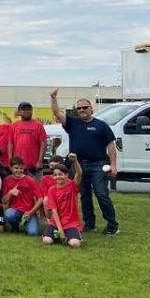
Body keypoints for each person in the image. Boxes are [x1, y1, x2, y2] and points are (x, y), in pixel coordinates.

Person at [50, 89, 118, 235]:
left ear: (91, 108)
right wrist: (53, 97)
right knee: (85, 195)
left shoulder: (101, 125)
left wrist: (113, 165)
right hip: (78, 164)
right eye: (79, 108)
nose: (81, 110)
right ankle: (89, 224)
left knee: (101, 193)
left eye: (84, 107)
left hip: (98, 164)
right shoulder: (72, 123)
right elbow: (56, 112)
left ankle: (112, 225)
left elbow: (111, 146)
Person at [43, 155, 84, 247]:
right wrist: (60, 230)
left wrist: (75, 161)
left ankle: (74, 236)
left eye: (60, 174)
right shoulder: (52, 189)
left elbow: (79, 173)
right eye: (55, 175)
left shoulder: (72, 185)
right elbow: (54, 211)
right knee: (46, 241)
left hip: (71, 223)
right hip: (56, 223)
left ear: (66, 175)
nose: (58, 177)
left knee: (75, 244)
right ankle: (62, 235)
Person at [2, 156, 43, 236]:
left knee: (33, 233)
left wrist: (31, 212)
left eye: (21, 168)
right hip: (15, 210)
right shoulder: (7, 180)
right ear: (11, 168)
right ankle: (15, 226)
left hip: (29, 211)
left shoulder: (30, 180)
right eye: (16, 168)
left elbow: (40, 199)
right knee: (8, 214)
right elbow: (4, 201)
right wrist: (10, 193)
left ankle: (28, 223)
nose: (19, 170)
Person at [9, 102, 47, 178]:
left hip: (33, 167)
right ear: (19, 112)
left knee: (35, 185)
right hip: (18, 167)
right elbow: (10, 143)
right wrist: (10, 160)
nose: (27, 111)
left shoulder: (38, 125)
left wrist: (39, 161)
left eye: (29, 109)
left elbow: (43, 143)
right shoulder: (14, 125)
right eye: (24, 109)